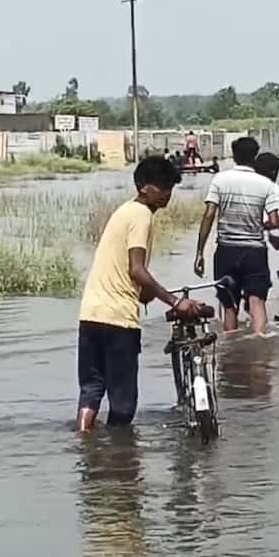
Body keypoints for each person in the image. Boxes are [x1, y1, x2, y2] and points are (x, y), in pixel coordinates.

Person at [76, 155, 204, 433]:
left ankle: (85, 444)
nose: (168, 192)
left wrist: (147, 294)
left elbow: (130, 276)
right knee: (123, 406)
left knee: (91, 390)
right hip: (118, 321)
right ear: (145, 187)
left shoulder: (123, 212)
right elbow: (136, 269)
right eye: (163, 186)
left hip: (90, 315)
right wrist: (175, 301)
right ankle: (120, 461)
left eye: (170, 186)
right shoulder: (142, 215)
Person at [194, 137, 279, 335]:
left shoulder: (220, 180)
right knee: (257, 302)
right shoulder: (266, 185)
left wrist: (199, 253)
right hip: (255, 252)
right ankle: (261, 349)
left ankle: (231, 352)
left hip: (226, 251)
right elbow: (274, 221)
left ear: (234, 155)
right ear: (254, 157)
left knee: (229, 305)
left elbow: (209, 215)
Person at [254, 152, 279, 251]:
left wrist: (269, 236)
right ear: (273, 171)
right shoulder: (274, 189)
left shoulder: (245, 186)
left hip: (229, 245)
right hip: (255, 248)